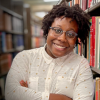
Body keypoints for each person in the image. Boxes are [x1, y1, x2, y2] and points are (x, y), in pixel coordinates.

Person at [5, 1, 94, 100]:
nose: (62, 39)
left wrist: (28, 95)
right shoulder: (24, 58)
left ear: (77, 39)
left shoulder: (81, 65)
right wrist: (62, 99)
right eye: (57, 30)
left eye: (71, 34)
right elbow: (11, 94)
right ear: (47, 30)